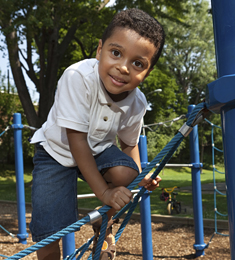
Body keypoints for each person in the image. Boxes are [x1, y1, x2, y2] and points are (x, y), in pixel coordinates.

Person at [29, 8, 165, 260]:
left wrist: (137, 180)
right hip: (56, 152)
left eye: (138, 63)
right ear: (99, 50)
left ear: (147, 72)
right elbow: (76, 140)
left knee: (127, 172)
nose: (123, 68)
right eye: (116, 53)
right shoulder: (78, 77)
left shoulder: (137, 101)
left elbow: (128, 144)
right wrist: (104, 192)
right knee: (50, 233)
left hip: (99, 149)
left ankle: (104, 220)